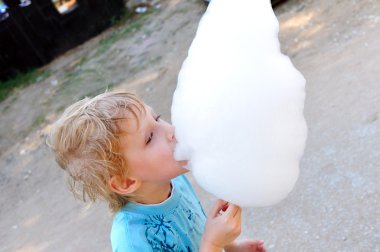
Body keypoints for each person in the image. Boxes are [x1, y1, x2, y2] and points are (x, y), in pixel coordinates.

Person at [48, 91, 266, 252]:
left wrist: (232, 247)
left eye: (158, 118)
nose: (170, 131)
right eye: (150, 137)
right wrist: (213, 243)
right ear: (126, 182)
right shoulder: (131, 241)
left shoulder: (175, 180)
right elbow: (206, 240)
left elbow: (198, 227)